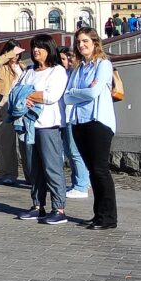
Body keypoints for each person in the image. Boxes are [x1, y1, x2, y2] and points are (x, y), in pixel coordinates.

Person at [13, 34, 70, 225]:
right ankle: (38, 205)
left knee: (51, 167)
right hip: (29, 125)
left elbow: (51, 96)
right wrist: (27, 96)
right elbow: (15, 92)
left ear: (49, 49)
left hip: (48, 125)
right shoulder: (28, 71)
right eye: (34, 47)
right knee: (33, 168)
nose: (36, 50)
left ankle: (59, 208)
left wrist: (28, 94)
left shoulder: (57, 71)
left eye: (40, 47)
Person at [66, 27, 119, 230]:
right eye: (79, 42)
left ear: (95, 42)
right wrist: (80, 92)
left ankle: (109, 217)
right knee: (92, 171)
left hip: (98, 122)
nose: (81, 45)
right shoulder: (79, 68)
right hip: (80, 122)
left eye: (85, 41)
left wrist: (76, 93)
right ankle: (98, 214)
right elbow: (67, 95)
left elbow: (93, 92)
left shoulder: (103, 65)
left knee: (100, 169)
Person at [58, 46, 91, 199]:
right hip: (66, 116)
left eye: (69, 58)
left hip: (73, 116)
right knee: (70, 151)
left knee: (75, 151)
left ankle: (82, 185)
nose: (68, 61)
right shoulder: (69, 73)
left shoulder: (76, 73)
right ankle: (77, 182)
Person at [0, 40, 25, 186]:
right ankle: (7, 172)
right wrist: (10, 54)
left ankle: (30, 173)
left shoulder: (23, 67)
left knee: (25, 141)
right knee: (6, 141)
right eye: (14, 52)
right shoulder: (2, 67)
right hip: (4, 104)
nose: (16, 56)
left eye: (18, 53)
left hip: (22, 104)